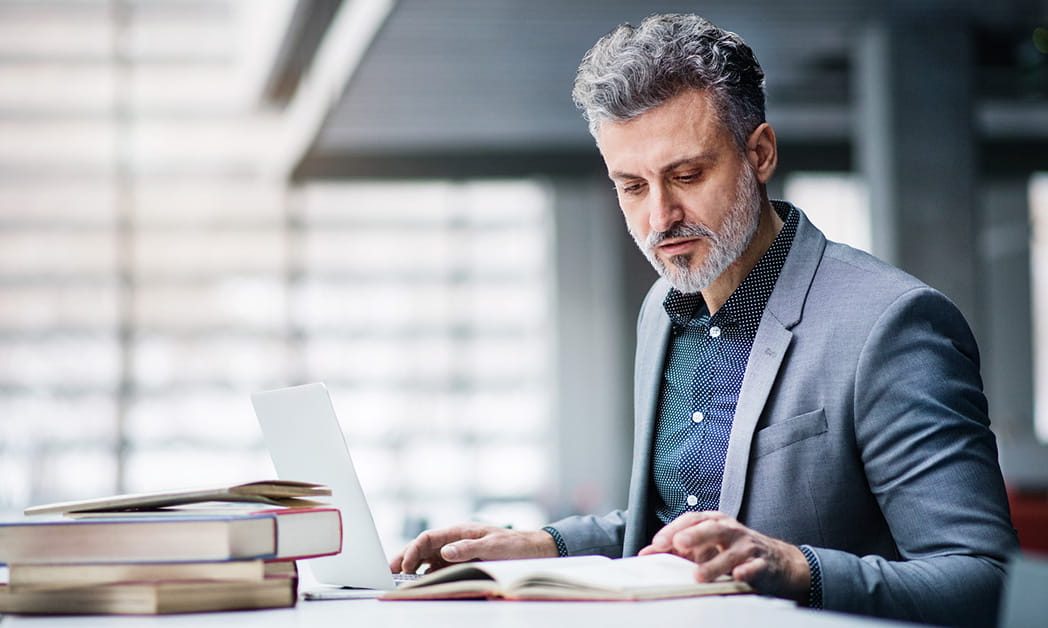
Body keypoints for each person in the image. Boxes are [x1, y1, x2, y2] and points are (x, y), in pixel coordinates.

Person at [390, 13, 1018, 626]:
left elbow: (981, 581)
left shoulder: (891, 324)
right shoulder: (660, 313)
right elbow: (671, 524)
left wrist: (795, 567)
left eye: (686, 175)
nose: (660, 217)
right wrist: (537, 544)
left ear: (760, 153)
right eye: (631, 186)